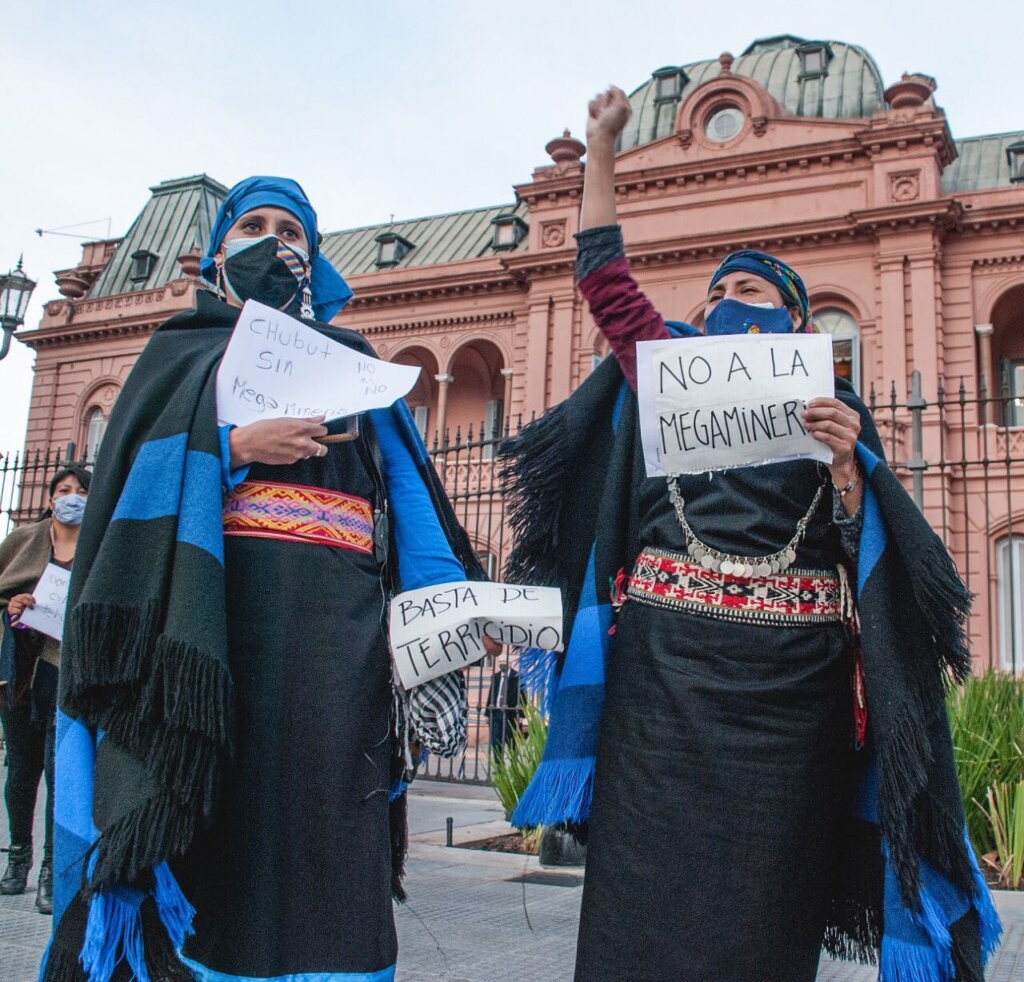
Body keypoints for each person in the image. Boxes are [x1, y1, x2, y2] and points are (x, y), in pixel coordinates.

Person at [501, 89, 1000, 982]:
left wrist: (852, 471)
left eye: (752, 291)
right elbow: (606, 280)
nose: (728, 303)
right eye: (718, 292)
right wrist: (606, 148)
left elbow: (873, 560)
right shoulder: (667, 375)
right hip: (664, 686)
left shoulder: (833, 412)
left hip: (789, 703)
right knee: (641, 905)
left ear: (797, 327)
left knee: (765, 909)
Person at [41, 177, 495, 982]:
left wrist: (453, 612)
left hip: (342, 646)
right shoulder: (180, 350)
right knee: (226, 832)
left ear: (313, 258)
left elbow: (413, 506)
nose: (272, 238)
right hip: (214, 636)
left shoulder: (357, 363)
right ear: (217, 252)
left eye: (291, 229)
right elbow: (123, 494)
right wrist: (233, 443)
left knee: (330, 829)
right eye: (252, 224)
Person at [0, 465, 90, 916]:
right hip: (20, 673)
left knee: (61, 772)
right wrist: (13, 606)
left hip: (66, 670)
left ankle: (53, 872)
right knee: (21, 769)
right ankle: (18, 859)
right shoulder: (22, 541)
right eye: (64, 490)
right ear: (51, 497)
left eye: (80, 491)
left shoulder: (99, 546)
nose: (71, 497)